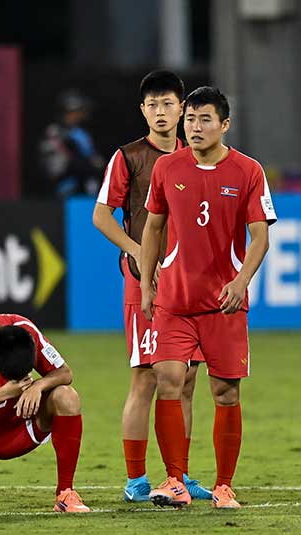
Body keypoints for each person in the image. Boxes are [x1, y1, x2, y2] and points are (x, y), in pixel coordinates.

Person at [141, 86, 276, 509]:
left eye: (204, 120)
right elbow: (153, 229)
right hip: (175, 301)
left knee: (225, 394)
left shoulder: (248, 171)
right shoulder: (166, 167)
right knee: (168, 380)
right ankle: (174, 480)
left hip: (225, 303)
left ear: (224, 125)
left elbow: (260, 237)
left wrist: (241, 281)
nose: (195, 128)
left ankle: (223, 485)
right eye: (191, 120)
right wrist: (147, 283)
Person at [92, 70, 210, 503]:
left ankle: (178, 475)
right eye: (152, 105)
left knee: (188, 380)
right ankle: (136, 480)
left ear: (182, 108)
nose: (161, 113)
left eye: (168, 104)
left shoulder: (197, 153)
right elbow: (102, 215)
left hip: (189, 283)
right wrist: (139, 253)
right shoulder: (129, 157)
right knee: (145, 377)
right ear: (143, 110)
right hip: (145, 281)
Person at [0, 314, 89, 513]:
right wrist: (2, 393)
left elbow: (65, 373)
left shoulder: (24, 331)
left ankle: (65, 492)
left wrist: (38, 385)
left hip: (20, 427)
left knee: (67, 396)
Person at [38, 89, 104, 199]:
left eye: (79, 112)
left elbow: (94, 160)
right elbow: (52, 167)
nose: (77, 116)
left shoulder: (81, 133)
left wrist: (93, 164)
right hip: (62, 186)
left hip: (86, 185)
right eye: (74, 112)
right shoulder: (54, 132)